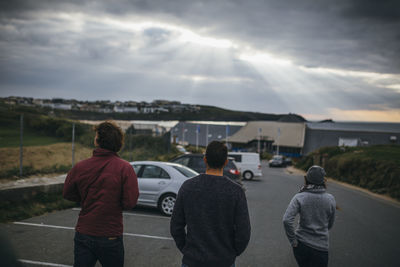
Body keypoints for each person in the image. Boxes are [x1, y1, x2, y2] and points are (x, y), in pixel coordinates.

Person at [63, 121, 139, 267]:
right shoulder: (125, 168)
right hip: (110, 234)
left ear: (97, 141)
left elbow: (67, 193)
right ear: (118, 142)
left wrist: (85, 198)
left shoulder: (80, 167)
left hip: (84, 232)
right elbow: (130, 202)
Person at [170, 141, 251, 267]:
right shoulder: (236, 191)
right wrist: (231, 253)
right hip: (224, 261)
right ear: (225, 162)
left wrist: (186, 249)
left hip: (192, 261)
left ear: (205, 160)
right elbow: (244, 232)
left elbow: (176, 226)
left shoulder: (188, 187)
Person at [283, 165, 336, 267]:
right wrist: (321, 229)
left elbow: (286, 220)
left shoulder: (299, 197)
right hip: (321, 247)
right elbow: (330, 223)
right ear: (323, 181)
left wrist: (293, 241)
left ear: (307, 179)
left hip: (301, 245)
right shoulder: (330, 199)